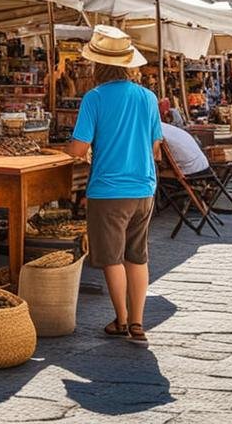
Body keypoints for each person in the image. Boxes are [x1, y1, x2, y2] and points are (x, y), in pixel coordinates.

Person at [66, 25, 162, 345]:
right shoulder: (148, 97)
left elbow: (78, 149)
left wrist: (78, 151)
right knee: (138, 256)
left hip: (108, 189)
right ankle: (138, 323)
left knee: (111, 257)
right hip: (144, 188)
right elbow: (155, 147)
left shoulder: (94, 98)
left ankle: (121, 320)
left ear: (98, 64)